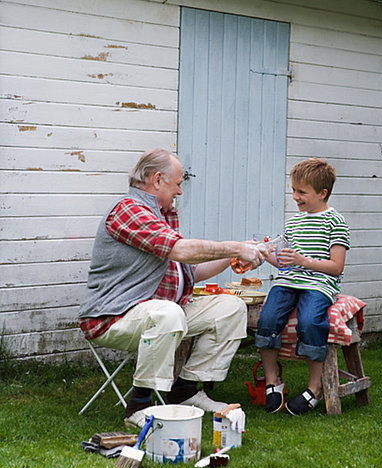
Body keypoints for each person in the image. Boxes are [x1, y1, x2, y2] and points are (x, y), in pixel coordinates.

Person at [79, 148, 267, 427]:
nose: (180, 190)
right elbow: (181, 250)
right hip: (114, 317)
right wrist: (237, 246)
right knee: (168, 314)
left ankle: (186, 391)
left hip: (160, 312)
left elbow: (192, 270)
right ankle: (138, 406)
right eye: (178, 182)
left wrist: (232, 257)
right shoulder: (129, 211)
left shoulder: (161, 215)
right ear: (157, 180)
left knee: (231, 307)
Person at [255, 158, 350, 415]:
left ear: (322, 193)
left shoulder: (335, 221)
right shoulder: (294, 223)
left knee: (309, 321)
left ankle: (315, 387)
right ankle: (272, 382)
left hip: (319, 285)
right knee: (267, 318)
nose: (295, 196)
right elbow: (286, 265)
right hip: (289, 282)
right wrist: (264, 255)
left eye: (301, 192)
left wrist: (304, 261)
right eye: (294, 190)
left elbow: (337, 266)